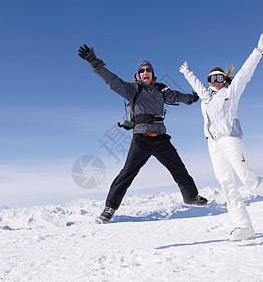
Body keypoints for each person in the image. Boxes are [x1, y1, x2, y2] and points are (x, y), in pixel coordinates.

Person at [179, 32, 263, 241]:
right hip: (212, 145)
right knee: (226, 184)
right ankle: (244, 227)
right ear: (209, 81)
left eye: (220, 78)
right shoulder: (205, 97)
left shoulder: (230, 93)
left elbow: (245, 73)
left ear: (225, 80)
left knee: (249, 180)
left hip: (230, 140)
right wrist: (187, 73)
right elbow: (197, 85)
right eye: (213, 78)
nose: (216, 81)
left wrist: (258, 51)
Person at [78, 44, 208, 222]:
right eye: (142, 70)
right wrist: (95, 64)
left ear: (152, 73)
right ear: (138, 75)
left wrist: (190, 99)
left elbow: (177, 96)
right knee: (127, 173)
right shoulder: (132, 89)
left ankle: (190, 196)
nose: (145, 72)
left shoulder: (161, 91)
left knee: (178, 168)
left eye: (148, 70)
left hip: (161, 139)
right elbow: (113, 81)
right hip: (141, 140)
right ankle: (110, 207)